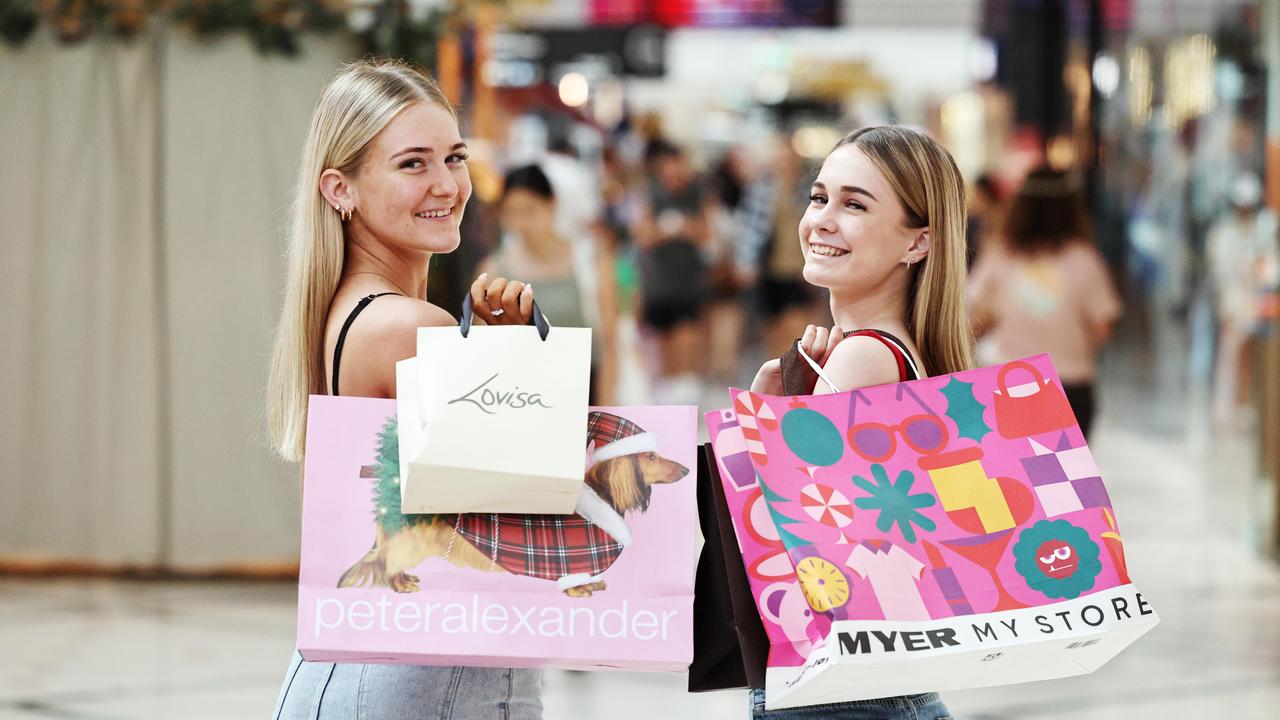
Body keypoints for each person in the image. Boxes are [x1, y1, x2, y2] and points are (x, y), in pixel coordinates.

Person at [265, 58, 543, 719]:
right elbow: (526, 512)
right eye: (412, 164)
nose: (448, 184)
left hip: (362, 668)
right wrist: (515, 362)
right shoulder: (411, 326)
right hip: (421, 679)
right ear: (341, 189)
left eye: (454, 157)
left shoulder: (347, 312)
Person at [749, 125, 966, 720]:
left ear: (917, 244)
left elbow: (784, 528)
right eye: (819, 197)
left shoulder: (864, 356)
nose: (820, 220)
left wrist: (760, 421)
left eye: (854, 205)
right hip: (869, 682)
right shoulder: (892, 348)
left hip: (842, 688)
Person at [968, 166, 1121, 438]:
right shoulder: (1085, 260)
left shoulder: (1002, 254)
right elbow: (1102, 328)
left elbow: (977, 314)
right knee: (1063, 478)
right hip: (1071, 385)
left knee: (1016, 477)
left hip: (1011, 381)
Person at [482, 164, 620, 404]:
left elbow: (609, 343)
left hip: (585, 390)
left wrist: (605, 409)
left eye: (529, 211)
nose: (521, 223)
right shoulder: (494, 270)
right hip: (522, 397)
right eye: (511, 213)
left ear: (551, 204)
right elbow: (485, 347)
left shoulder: (589, 259)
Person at [632, 138, 715, 403]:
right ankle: (670, 398)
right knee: (664, 342)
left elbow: (706, 233)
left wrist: (685, 227)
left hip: (689, 279)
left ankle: (687, 390)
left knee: (687, 336)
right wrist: (664, 230)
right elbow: (642, 236)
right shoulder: (650, 194)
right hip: (659, 281)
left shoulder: (697, 194)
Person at [1206, 172, 1279, 428]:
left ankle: (1247, 407)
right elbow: (1220, 275)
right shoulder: (1223, 234)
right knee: (1230, 358)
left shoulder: (1262, 234)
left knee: (1252, 362)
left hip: (1256, 307)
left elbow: (1269, 270)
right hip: (1234, 306)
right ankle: (1226, 409)